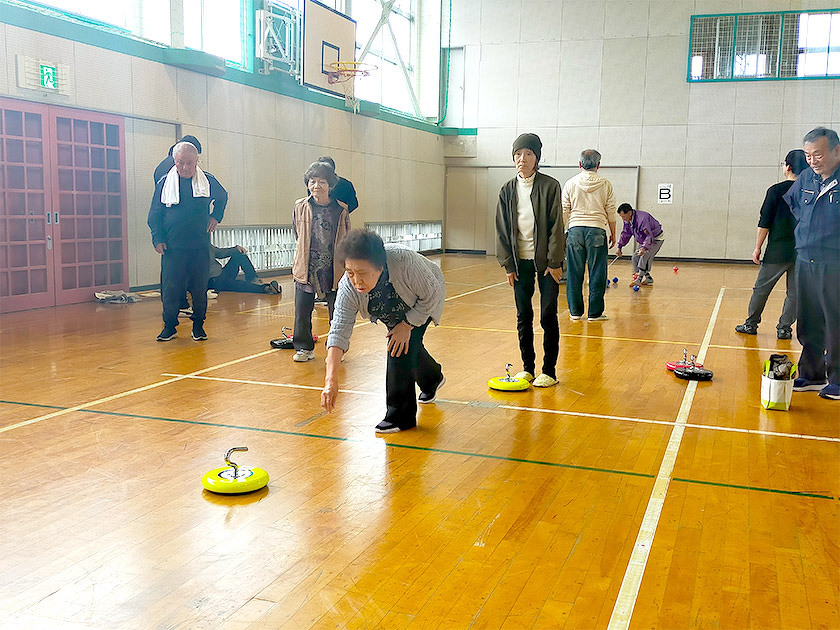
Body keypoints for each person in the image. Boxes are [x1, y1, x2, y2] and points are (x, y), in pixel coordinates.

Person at [321, 229, 445, 433]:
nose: (356, 280)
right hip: (391, 311)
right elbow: (338, 330)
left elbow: (432, 294)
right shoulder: (348, 286)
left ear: (379, 267)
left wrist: (407, 325)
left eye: (362, 273)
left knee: (399, 348)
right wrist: (331, 381)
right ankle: (433, 378)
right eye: (350, 272)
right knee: (409, 346)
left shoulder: (404, 262)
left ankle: (400, 417)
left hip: (421, 302)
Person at [495, 133, 565, 388]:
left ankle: (549, 370)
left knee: (548, 315)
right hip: (519, 262)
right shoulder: (507, 190)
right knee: (523, 315)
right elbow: (502, 230)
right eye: (518, 154)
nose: (522, 159)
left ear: (537, 158)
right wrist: (508, 265)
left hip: (546, 262)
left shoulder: (550, 186)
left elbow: (557, 225)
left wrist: (555, 262)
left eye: (528, 154)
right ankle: (527, 368)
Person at [147, 141, 227, 341]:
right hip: (172, 248)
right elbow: (154, 214)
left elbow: (223, 197)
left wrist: (216, 216)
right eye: (180, 162)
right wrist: (157, 238)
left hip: (199, 247)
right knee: (171, 289)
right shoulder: (164, 182)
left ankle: (198, 326)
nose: (184, 167)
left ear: (196, 161)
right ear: (175, 161)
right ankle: (170, 327)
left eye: (189, 163)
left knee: (200, 289)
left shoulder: (207, 181)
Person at [783, 127, 840, 400]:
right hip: (805, 260)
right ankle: (812, 374)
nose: (812, 160)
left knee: (836, 322)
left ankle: (838, 379)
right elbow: (795, 206)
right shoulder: (806, 179)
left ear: (836, 151)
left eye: (817, 154)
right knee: (808, 320)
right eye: (807, 155)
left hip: (835, 264)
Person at [735, 149, 808, 339]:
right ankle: (785, 328)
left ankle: (751, 324)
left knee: (762, 289)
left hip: (778, 250)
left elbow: (764, 222)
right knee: (795, 293)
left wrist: (758, 247)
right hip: (804, 251)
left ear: (788, 167)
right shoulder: (811, 191)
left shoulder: (776, 190)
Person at [289, 161, 351, 362]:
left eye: (321, 182)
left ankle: (335, 349)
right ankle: (304, 348)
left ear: (330, 185)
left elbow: (347, 236)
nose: (316, 186)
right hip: (307, 265)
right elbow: (297, 233)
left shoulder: (341, 209)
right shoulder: (300, 206)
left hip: (333, 266)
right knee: (302, 310)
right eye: (312, 181)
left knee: (337, 310)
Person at [562, 149, 616, 321]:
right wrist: (613, 234)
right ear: (598, 165)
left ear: (580, 164)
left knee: (574, 273)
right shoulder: (606, 184)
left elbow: (564, 210)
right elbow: (611, 211)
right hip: (597, 231)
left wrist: (561, 234)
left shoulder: (570, 183)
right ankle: (595, 313)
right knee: (598, 273)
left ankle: (575, 312)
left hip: (575, 231)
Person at [616, 203, 664, 287]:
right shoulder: (627, 221)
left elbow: (649, 235)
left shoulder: (642, 218)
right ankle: (648, 278)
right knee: (635, 257)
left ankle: (639, 280)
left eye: (624, 216)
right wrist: (619, 247)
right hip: (644, 239)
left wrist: (644, 248)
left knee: (644, 256)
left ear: (630, 213)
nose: (623, 219)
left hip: (656, 238)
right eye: (621, 217)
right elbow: (625, 233)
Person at [208, 244, 280, 294]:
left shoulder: (205, 244)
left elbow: (220, 253)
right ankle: (266, 288)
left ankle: (253, 279)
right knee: (239, 285)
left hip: (222, 273)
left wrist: (235, 249)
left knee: (239, 254)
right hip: (214, 281)